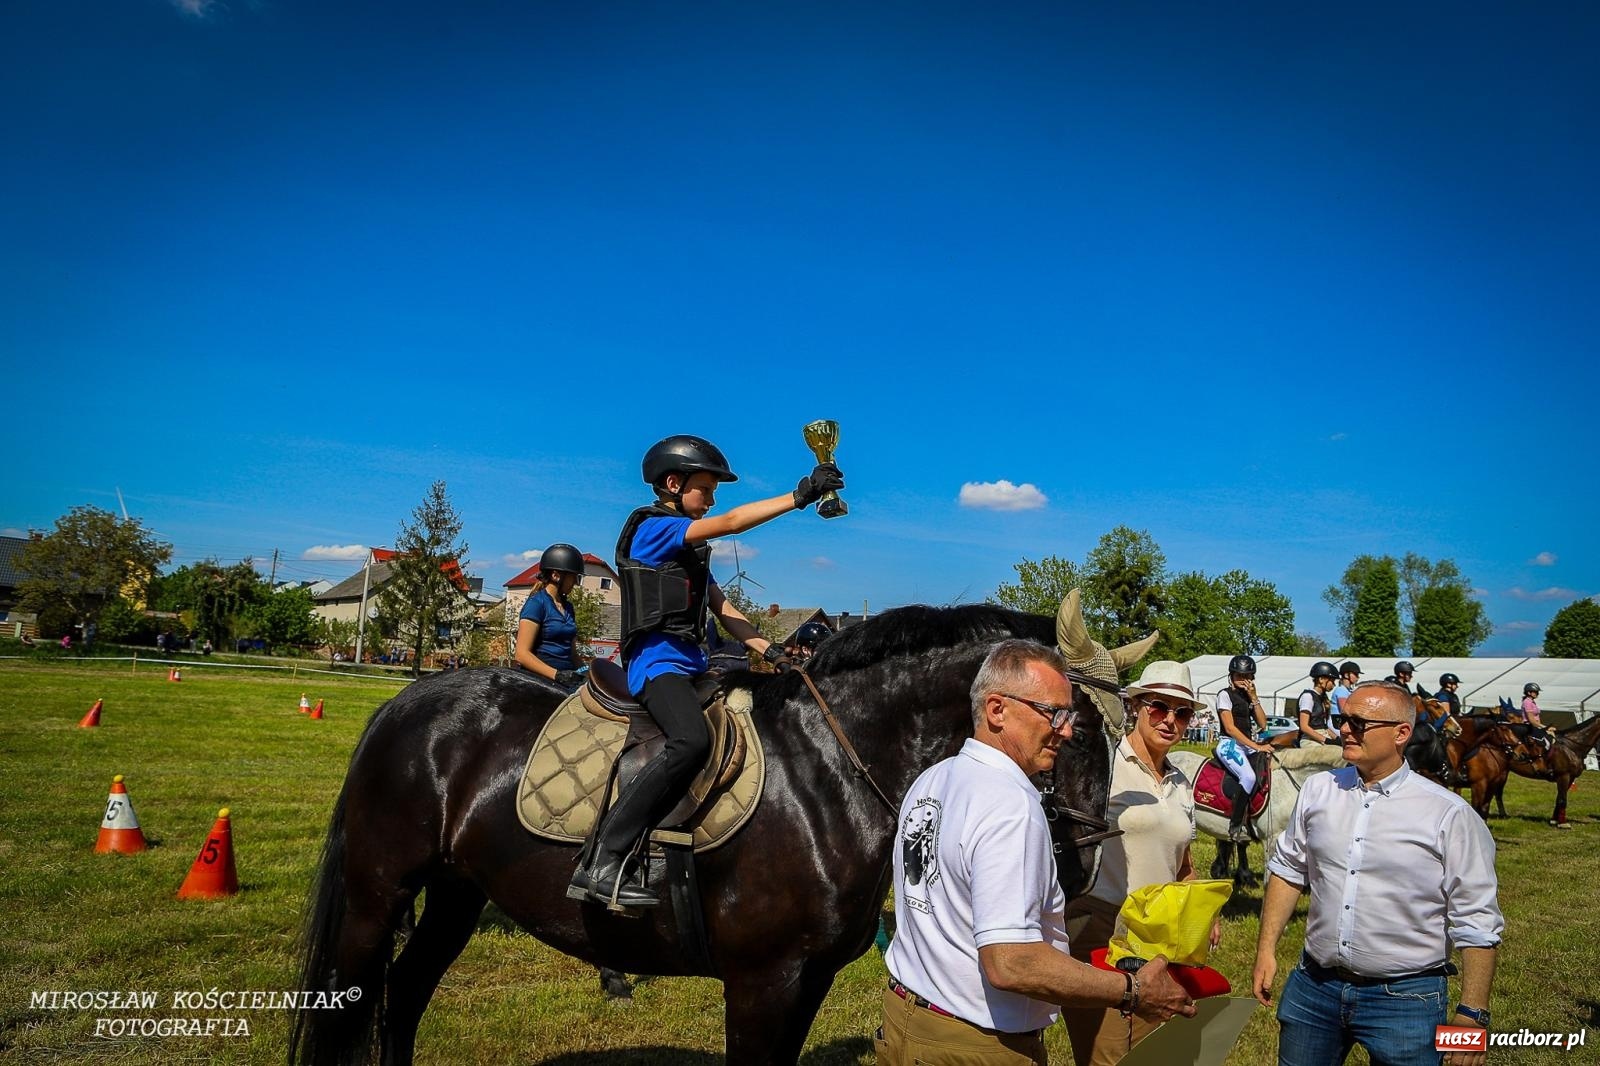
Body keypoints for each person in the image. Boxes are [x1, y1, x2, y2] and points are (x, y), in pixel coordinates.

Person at [880, 640, 1195, 1066]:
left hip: (904, 1018)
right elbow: (1012, 963)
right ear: (996, 710)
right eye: (1054, 712)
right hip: (974, 1045)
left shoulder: (934, 778)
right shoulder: (1011, 805)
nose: (1066, 729)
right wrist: (1132, 991)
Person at [567, 434, 844, 908]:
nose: (712, 499)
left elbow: (723, 607)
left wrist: (770, 649)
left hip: (697, 665)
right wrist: (798, 498)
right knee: (691, 740)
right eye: (706, 489)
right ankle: (604, 859)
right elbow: (733, 523)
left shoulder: (690, 553)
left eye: (715, 493)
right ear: (673, 483)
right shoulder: (654, 529)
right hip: (657, 665)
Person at [1252, 679, 1501, 1066]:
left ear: (1402, 733)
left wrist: (1472, 1015)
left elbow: (1477, 919)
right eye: (1342, 718)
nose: (1344, 729)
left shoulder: (1449, 814)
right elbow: (1288, 869)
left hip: (1407, 1000)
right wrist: (1266, 950)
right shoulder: (1319, 790)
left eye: (1359, 723)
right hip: (1313, 986)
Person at [1062, 660, 1218, 1066]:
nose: (1170, 720)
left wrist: (1204, 913)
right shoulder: (1106, 766)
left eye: (1182, 712)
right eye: (1158, 707)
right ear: (1134, 706)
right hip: (1102, 927)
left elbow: (1182, 863)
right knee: (1109, 1054)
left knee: (1158, 1052)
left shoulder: (1181, 782)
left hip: (1163, 936)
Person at [1215, 654, 1273, 842]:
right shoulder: (1224, 695)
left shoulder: (1248, 697)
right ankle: (1235, 824)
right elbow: (1230, 728)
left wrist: (1254, 698)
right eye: (1239, 676)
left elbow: (1263, 724)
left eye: (1247, 676)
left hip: (1247, 745)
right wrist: (1256, 745)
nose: (1243, 680)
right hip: (1229, 744)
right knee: (1248, 777)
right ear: (1231, 676)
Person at [515, 543, 586, 690]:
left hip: (567, 679)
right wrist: (557, 675)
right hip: (541, 681)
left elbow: (572, 652)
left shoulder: (569, 608)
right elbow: (521, 654)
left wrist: (587, 673)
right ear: (556, 575)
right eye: (573, 577)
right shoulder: (536, 604)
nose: (575, 583)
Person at [1295, 661, 1341, 747]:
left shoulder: (1322, 698)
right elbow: (1304, 726)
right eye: (1332, 681)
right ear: (1321, 679)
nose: (1334, 685)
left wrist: (1337, 739)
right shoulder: (1308, 696)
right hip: (1309, 739)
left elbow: (1324, 727)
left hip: (1322, 735)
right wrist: (1326, 740)